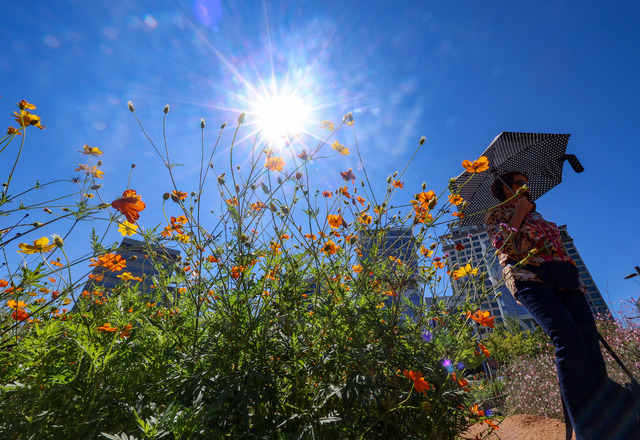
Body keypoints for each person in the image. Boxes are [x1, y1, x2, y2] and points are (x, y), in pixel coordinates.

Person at [484, 171, 639, 440]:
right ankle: (588, 430)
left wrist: (576, 281)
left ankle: (613, 419)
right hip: (529, 278)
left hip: (566, 282)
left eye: (525, 182)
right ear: (504, 189)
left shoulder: (540, 217)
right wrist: (518, 212)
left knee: (590, 344)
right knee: (568, 341)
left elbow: (559, 250)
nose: (525, 186)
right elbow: (504, 246)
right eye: (519, 183)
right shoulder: (496, 214)